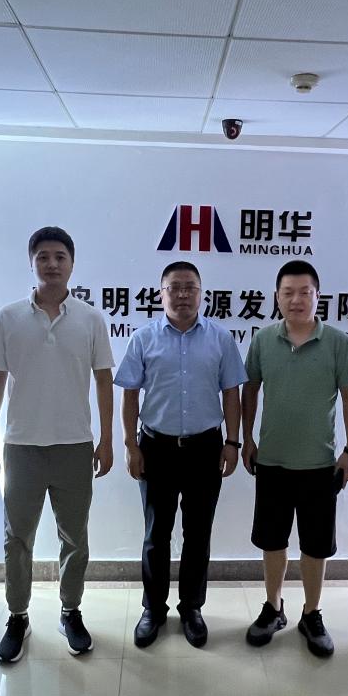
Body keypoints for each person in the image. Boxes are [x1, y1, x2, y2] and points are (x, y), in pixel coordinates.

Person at [0, 226, 114, 662]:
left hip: (74, 446)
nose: (52, 264)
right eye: (43, 256)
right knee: (17, 538)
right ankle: (17, 616)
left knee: (75, 538)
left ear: (72, 263)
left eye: (60, 256)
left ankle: (70, 611)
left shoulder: (91, 319)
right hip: (21, 447)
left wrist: (107, 439)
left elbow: (104, 381)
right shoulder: (9, 318)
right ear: (32, 263)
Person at [114, 261, 246, 649]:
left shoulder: (220, 338)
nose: (183, 294)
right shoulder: (143, 338)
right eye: (175, 287)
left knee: (198, 533)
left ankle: (192, 608)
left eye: (190, 287)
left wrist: (233, 442)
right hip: (156, 448)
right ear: (162, 293)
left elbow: (232, 394)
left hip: (206, 448)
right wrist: (130, 445)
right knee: (156, 534)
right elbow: (130, 395)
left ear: (201, 293)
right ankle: (153, 609)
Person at [241, 260, 348, 658]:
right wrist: (246, 439)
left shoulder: (338, 343)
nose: (296, 300)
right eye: (288, 293)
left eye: (304, 292)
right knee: (272, 541)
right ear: (276, 297)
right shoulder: (263, 340)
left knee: (315, 545)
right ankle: (273, 607)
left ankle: (311, 613)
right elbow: (250, 391)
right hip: (272, 461)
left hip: (320, 464)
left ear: (317, 296)